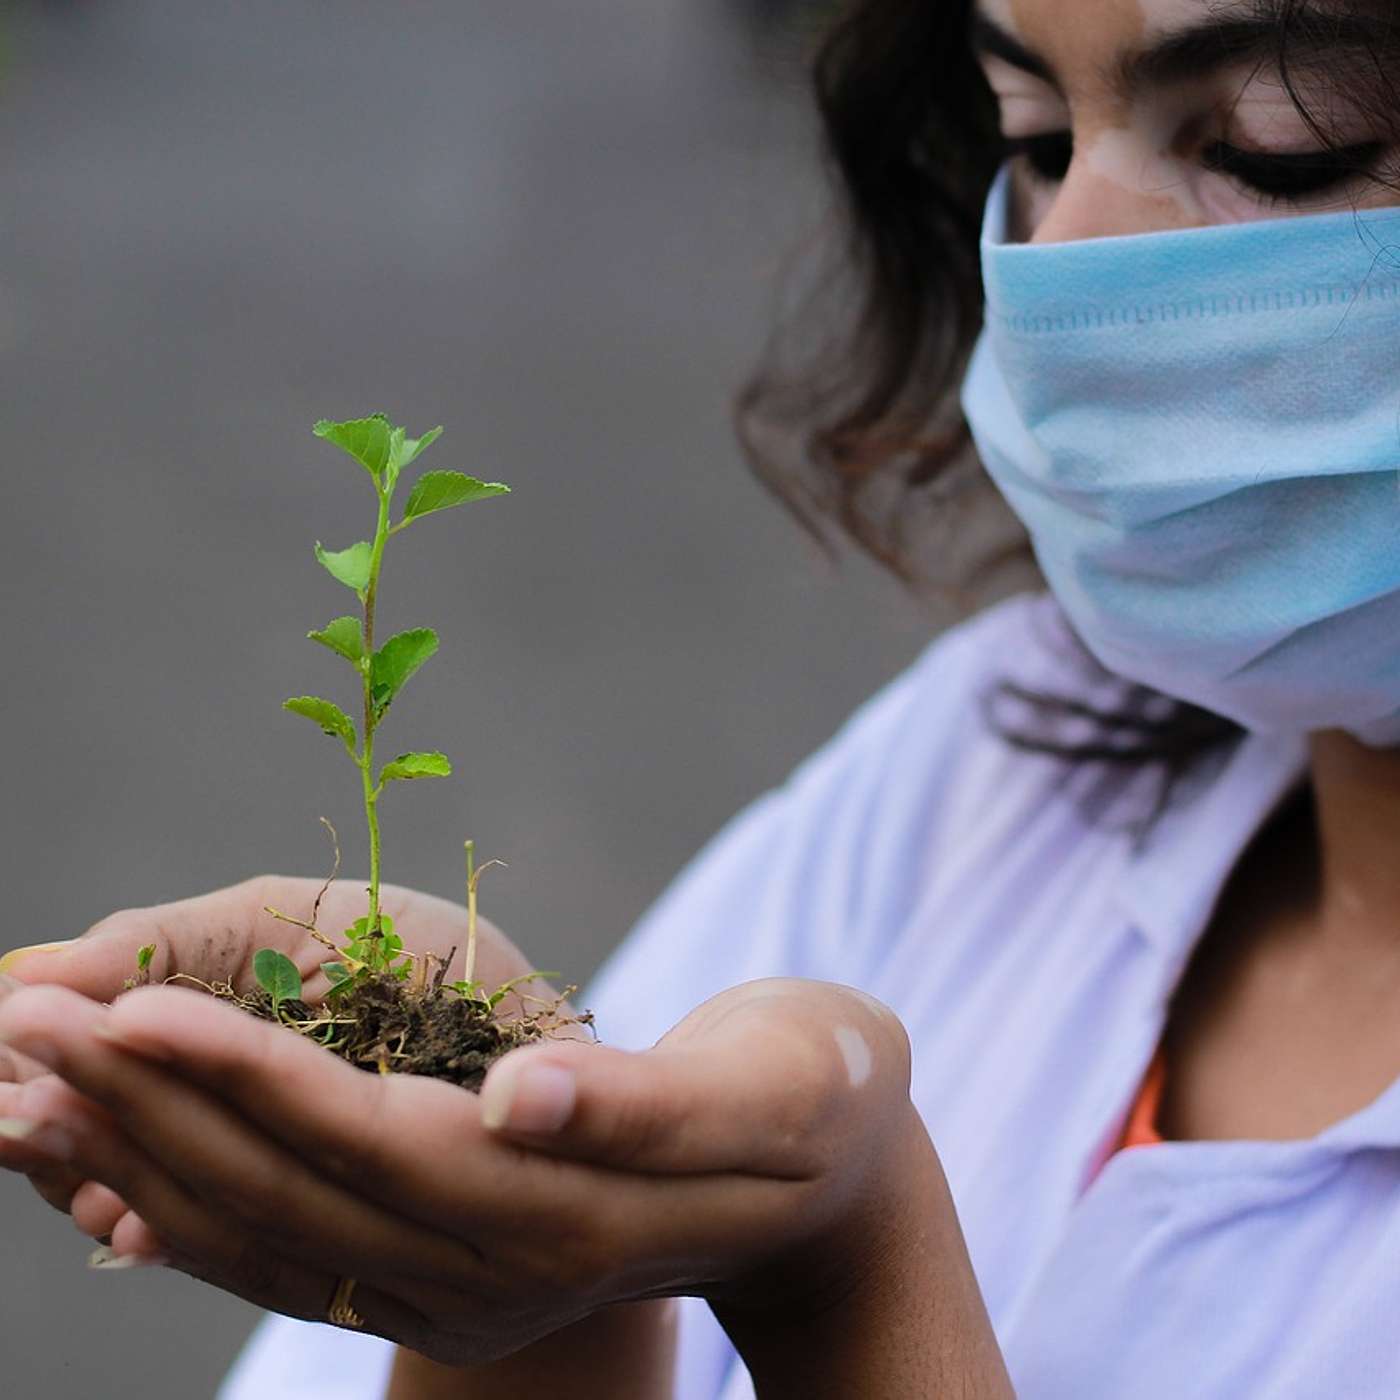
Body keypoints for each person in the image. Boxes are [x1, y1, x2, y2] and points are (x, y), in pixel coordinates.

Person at [4, 0, 1400, 1393]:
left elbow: (820, 1238)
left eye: (1281, 146)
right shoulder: (1002, 767)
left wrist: (839, 1267)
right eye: (1034, 138)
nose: (1053, 274)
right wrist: (541, 1260)